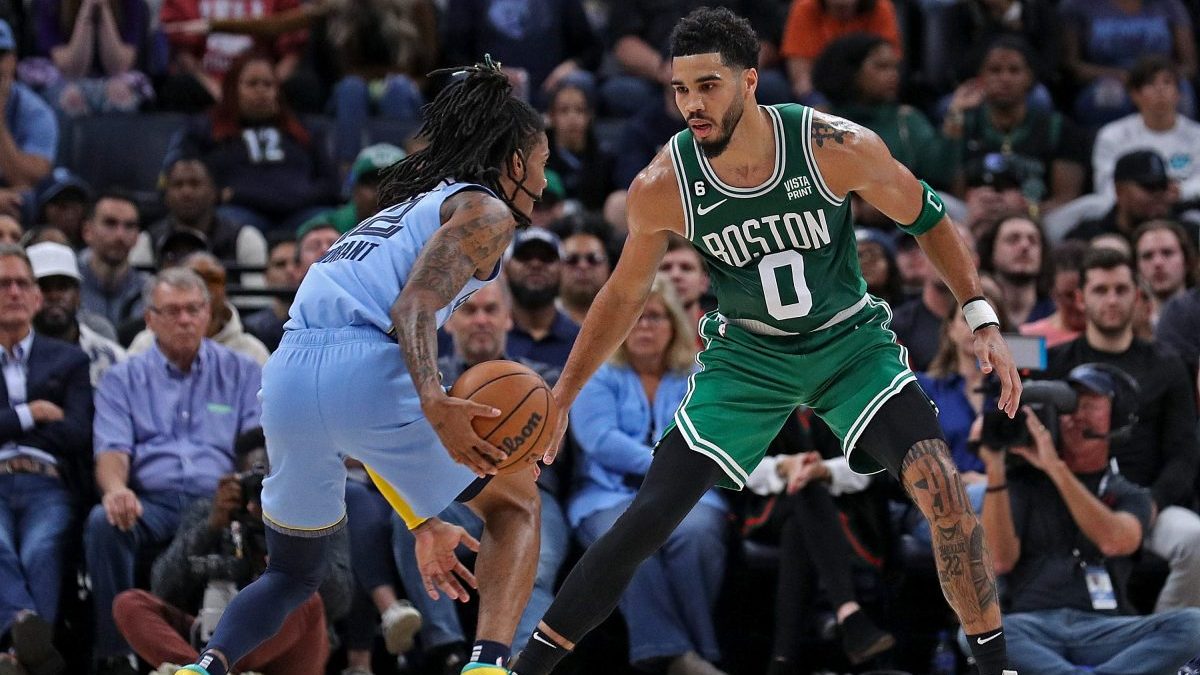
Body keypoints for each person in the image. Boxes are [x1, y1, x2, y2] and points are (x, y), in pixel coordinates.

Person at [508, 9, 1024, 675]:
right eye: (681, 89)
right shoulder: (664, 184)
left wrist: (982, 318)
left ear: (750, 80)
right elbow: (624, 295)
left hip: (849, 345)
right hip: (748, 358)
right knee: (646, 519)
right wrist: (562, 396)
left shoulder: (832, 144)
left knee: (944, 492)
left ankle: (995, 667)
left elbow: (928, 216)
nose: (692, 104)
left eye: (708, 86)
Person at [177, 59, 550, 675]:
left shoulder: (401, 212)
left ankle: (206, 667)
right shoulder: (487, 214)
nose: (543, 179)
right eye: (540, 162)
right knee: (516, 507)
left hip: (290, 375)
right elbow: (414, 308)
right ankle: (487, 666)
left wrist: (422, 520)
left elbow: (350, 415)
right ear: (514, 162)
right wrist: (434, 400)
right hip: (367, 360)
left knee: (292, 572)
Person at [86, 267, 262, 675]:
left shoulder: (242, 370)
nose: (185, 320)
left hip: (218, 500)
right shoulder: (122, 378)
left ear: (208, 314)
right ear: (150, 319)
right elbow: (111, 449)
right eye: (173, 311)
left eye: (193, 310)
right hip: (151, 503)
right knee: (103, 521)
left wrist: (249, 489)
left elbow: (254, 447)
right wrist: (115, 490)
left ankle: (238, 657)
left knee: (262, 522)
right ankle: (117, 655)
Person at [976, 365, 1200, 674]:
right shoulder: (1022, 482)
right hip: (1031, 626)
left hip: (1106, 628)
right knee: (978, 634)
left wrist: (1056, 468)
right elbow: (998, 561)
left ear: (1118, 418)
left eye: (1090, 405)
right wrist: (995, 469)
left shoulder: (1129, 493)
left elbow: (1116, 541)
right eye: (1068, 406)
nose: (1075, 416)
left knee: (1193, 625)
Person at [392, 282, 568, 670]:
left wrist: (524, 444)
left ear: (508, 319)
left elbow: (562, 446)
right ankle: (448, 651)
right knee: (410, 516)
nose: (481, 320)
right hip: (453, 495)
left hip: (534, 491)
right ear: (451, 321)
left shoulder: (541, 378)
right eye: (470, 311)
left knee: (536, 557)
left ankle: (517, 660)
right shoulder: (428, 381)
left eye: (491, 310)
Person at [568, 275, 729, 674]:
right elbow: (599, 438)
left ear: (674, 323)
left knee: (698, 534)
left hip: (688, 493)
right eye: (636, 317)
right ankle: (674, 657)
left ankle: (691, 654)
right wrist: (664, 464)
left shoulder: (699, 373)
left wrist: (673, 471)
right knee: (625, 540)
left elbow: (708, 434)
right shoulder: (596, 370)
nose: (644, 326)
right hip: (607, 494)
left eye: (654, 316)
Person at [111, 429, 352, 675]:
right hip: (207, 632)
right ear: (236, 476)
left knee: (304, 599)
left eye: (271, 481)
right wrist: (210, 527)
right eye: (254, 483)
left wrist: (287, 541)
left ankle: (209, 669)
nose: (261, 494)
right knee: (129, 603)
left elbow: (340, 599)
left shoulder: (316, 514)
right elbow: (162, 586)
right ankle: (202, 668)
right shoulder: (210, 510)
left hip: (287, 649)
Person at [1044, 248, 1200, 612]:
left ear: (1139, 297)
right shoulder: (1054, 363)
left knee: (1194, 539)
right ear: (1080, 298)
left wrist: (1151, 505)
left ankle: (1164, 637)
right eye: (1100, 290)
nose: (1112, 300)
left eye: (1121, 289)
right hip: (1070, 501)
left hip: (1150, 503)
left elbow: (1183, 455)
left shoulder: (1168, 365)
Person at [0, 244, 92, 675]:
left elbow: (77, 432)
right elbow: (60, 426)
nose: (14, 292)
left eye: (23, 283)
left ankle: (15, 654)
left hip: (47, 481)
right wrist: (30, 413)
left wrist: (8, 425)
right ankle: (31, 649)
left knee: (42, 547)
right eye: (4, 284)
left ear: (37, 298)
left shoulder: (70, 359)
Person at [170, 51, 339, 232]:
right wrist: (221, 194)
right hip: (239, 212)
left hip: (302, 211)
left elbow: (330, 183)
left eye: (268, 84)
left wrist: (300, 196)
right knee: (223, 225)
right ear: (232, 88)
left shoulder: (304, 130)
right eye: (252, 84)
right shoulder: (204, 129)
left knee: (328, 226)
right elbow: (188, 176)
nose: (261, 90)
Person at [942, 36, 1087, 213]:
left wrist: (1030, 209)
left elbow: (1066, 198)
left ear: (1030, 77)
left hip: (1040, 218)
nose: (1005, 78)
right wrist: (955, 113)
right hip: (973, 215)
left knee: (1091, 207)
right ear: (981, 78)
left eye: (1014, 70)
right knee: (939, 201)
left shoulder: (1058, 127)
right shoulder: (965, 123)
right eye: (995, 70)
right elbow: (949, 183)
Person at [131, 156, 269, 289]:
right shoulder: (147, 240)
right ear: (166, 194)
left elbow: (255, 299)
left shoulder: (245, 238)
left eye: (195, 184)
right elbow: (139, 297)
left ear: (214, 191)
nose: (186, 192)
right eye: (178, 185)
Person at [126, 253, 271, 365]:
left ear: (225, 288)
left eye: (213, 280)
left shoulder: (252, 351)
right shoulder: (146, 344)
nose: (205, 287)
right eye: (195, 278)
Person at [1092, 56, 1200, 203]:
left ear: (1178, 93)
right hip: (1128, 210)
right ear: (1135, 94)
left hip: (1182, 206)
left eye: (1167, 82)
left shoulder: (1197, 135)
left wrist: (1181, 192)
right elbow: (1105, 186)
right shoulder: (1112, 135)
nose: (1160, 90)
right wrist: (1142, 197)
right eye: (1150, 83)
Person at [27, 0, 151, 116]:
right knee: (72, 98)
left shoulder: (132, 3)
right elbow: (72, 71)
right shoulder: (49, 3)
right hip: (63, 79)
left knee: (121, 95)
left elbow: (118, 67)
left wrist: (104, 10)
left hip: (115, 78)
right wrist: (86, 13)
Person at [27, 241, 126, 386]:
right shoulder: (9, 357)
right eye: (44, 287)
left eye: (63, 287)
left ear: (78, 295)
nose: (55, 296)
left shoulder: (112, 358)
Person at [779, 0, 902, 104]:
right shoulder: (805, 8)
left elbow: (889, 63)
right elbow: (801, 78)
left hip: (870, 96)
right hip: (821, 92)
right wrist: (814, 102)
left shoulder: (880, 7)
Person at [1066, 150, 1179, 244]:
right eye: (1149, 187)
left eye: (1163, 186)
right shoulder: (1088, 238)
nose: (1158, 194)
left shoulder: (1181, 235)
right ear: (1119, 190)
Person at [504, 228, 578, 367]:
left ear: (563, 269)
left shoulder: (581, 341)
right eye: (524, 256)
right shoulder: (489, 336)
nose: (536, 264)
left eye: (547, 258)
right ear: (505, 269)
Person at [0, 19, 57, 192]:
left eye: (0, 55)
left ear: (13, 60)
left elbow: (29, 182)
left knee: (26, 199)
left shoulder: (37, 112)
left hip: (15, 199)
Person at [78, 193, 147, 331]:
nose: (120, 235)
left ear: (137, 236)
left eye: (129, 226)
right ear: (87, 231)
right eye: (110, 223)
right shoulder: (68, 286)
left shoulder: (150, 291)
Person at [978, 214, 1053, 326]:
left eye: (1033, 240)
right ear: (991, 251)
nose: (1025, 246)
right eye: (1013, 239)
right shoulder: (977, 311)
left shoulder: (1057, 314)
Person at [1019, 239, 1087, 348]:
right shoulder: (1029, 338)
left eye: (1083, 294)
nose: (1078, 305)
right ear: (1053, 294)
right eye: (1069, 296)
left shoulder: (1112, 337)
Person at [242, 234, 298, 352]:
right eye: (280, 264)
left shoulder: (322, 325)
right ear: (266, 275)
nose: (290, 270)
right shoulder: (251, 328)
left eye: (297, 262)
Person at [1133, 219, 1194, 328]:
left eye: (1167, 253)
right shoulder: (1127, 327)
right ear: (1137, 267)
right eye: (1147, 256)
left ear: (1187, 261)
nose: (1157, 263)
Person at [554, 216, 612, 326]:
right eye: (571, 259)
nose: (583, 266)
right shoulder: (539, 315)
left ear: (608, 266)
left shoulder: (626, 317)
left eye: (593, 259)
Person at [657, 233, 710, 324]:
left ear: (704, 282)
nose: (675, 275)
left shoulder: (722, 330)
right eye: (665, 268)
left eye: (686, 268)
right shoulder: (631, 330)